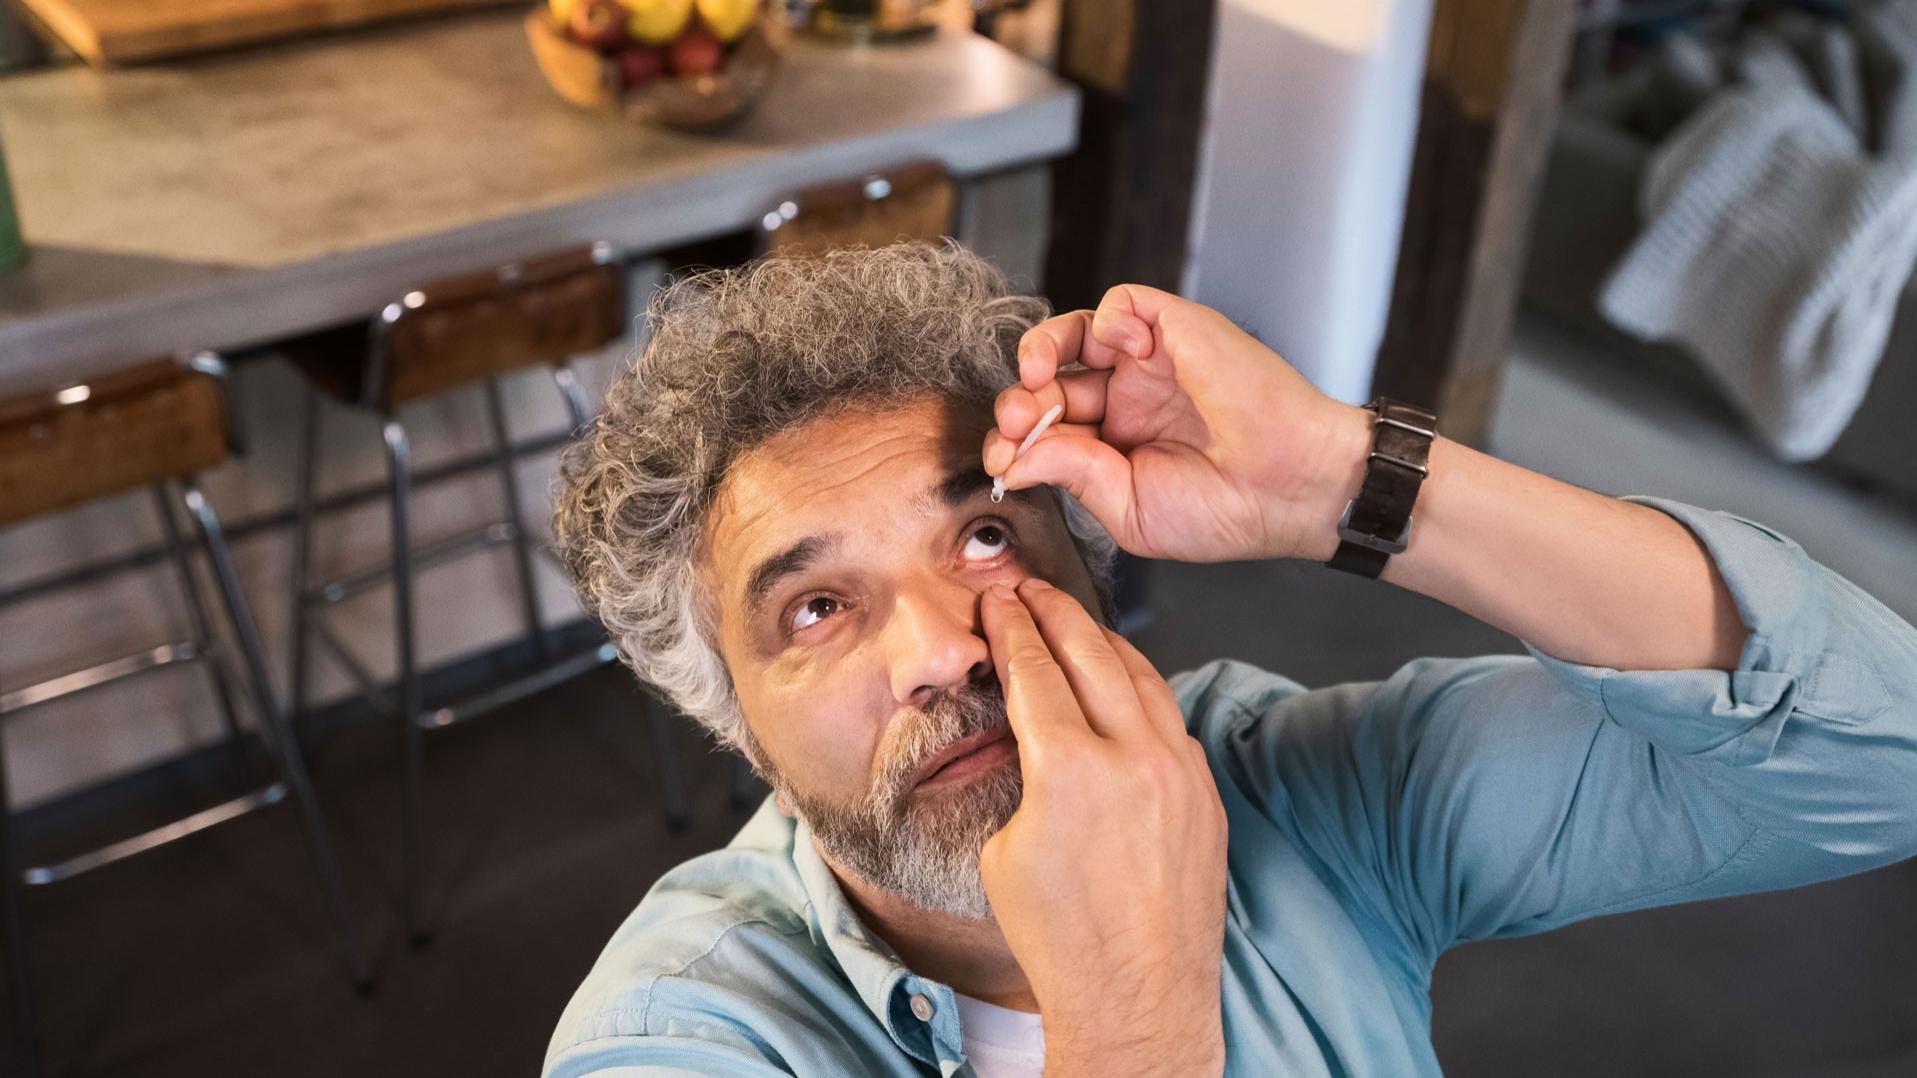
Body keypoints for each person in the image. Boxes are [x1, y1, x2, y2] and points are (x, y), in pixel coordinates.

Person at [543, 242, 1917, 1077]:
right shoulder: (681, 1032)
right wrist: (1130, 1007)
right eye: (815, 609)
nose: (942, 652)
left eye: (978, 535)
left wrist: (1349, 482)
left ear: (1089, 558)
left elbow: (1880, 752)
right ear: (735, 727)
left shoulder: (1293, 788)